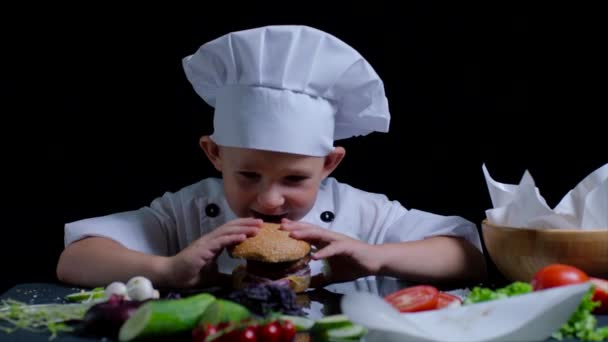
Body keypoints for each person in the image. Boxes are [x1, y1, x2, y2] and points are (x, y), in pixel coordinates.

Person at [57, 25, 487, 292]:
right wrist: (168, 269)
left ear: (330, 164)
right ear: (214, 153)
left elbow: (466, 256)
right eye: (248, 174)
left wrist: (375, 256)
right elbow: (75, 258)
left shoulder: (363, 213)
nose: (269, 200)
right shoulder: (186, 210)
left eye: (295, 179)